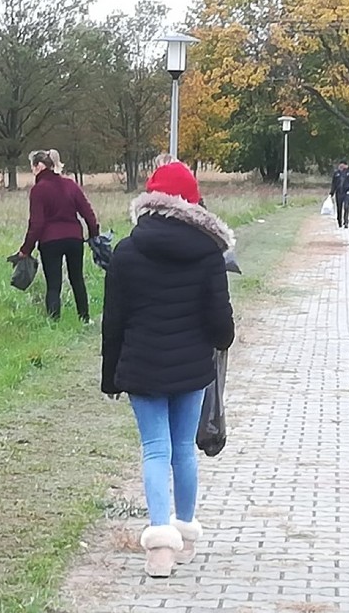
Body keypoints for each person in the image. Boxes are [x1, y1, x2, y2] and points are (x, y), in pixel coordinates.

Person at [101, 160, 235, 578]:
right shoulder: (210, 252)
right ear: (193, 202)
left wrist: (111, 376)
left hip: (141, 366)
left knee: (154, 450)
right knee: (183, 451)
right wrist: (217, 339)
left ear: (150, 201)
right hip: (192, 367)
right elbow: (221, 326)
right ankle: (187, 536)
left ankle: (159, 548)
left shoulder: (126, 250)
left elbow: (113, 320)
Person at [18, 149, 99, 322]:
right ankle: (84, 318)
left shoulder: (38, 190)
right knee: (77, 279)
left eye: (32, 166)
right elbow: (88, 213)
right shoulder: (70, 185)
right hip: (74, 239)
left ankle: (54, 322)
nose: (32, 170)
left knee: (53, 285)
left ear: (39, 166)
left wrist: (26, 250)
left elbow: (37, 224)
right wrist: (94, 235)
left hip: (50, 241)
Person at [330, 160, 349, 228]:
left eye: (342, 165)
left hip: (347, 192)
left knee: (346, 207)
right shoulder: (336, 173)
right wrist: (331, 193)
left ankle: (346, 222)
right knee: (339, 208)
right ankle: (339, 221)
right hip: (339, 192)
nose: (341, 166)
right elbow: (333, 184)